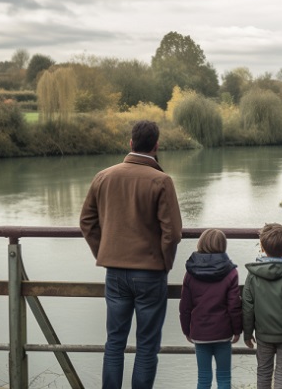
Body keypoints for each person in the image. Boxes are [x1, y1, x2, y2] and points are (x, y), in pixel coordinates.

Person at [79, 120, 183, 389]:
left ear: (130, 143)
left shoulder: (104, 176)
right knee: (147, 346)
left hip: (114, 273)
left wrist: (104, 251)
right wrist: (164, 264)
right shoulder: (161, 181)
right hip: (150, 272)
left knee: (114, 342)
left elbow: (87, 222)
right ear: (156, 145)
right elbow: (172, 233)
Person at [242, 223, 282, 389]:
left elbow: (247, 308)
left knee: (263, 373)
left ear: (262, 247)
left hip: (263, 335)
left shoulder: (253, 276)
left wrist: (248, 333)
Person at [179, 229, 243, 389]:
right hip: (223, 332)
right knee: (224, 377)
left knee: (203, 378)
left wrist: (187, 330)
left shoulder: (190, 273)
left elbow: (185, 306)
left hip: (200, 333)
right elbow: (234, 306)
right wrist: (237, 330)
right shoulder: (231, 272)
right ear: (223, 246)